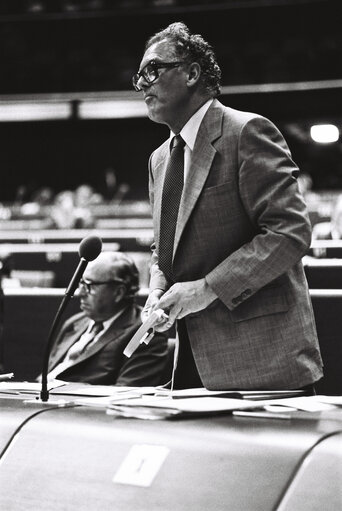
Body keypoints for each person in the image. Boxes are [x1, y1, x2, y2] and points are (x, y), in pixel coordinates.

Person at [133, 22, 323, 390]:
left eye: (152, 69)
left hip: (261, 357)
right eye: (139, 75)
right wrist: (158, 287)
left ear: (191, 73)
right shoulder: (159, 159)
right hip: (190, 361)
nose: (143, 84)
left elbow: (289, 232)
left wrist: (206, 289)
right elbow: (164, 247)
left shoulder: (247, 132)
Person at [44, 251, 168, 386]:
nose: (81, 292)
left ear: (119, 292)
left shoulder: (143, 332)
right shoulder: (74, 323)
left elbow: (125, 394)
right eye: (81, 284)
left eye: (89, 285)